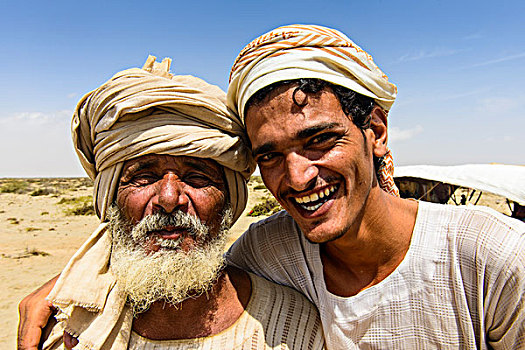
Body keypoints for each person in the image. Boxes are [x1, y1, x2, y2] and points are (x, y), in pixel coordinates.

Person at [20, 25, 525, 349]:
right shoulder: (271, 249)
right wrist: (71, 285)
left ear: (375, 128)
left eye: (320, 141)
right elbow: (171, 246)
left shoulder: (494, 259)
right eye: (269, 155)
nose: (299, 176)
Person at [20, 56, 324, 350]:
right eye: (143, 177)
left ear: (228, 199)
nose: (169, 199)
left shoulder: (295, 328)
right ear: (111, 196)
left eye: (196, 177)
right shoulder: (70, 328)